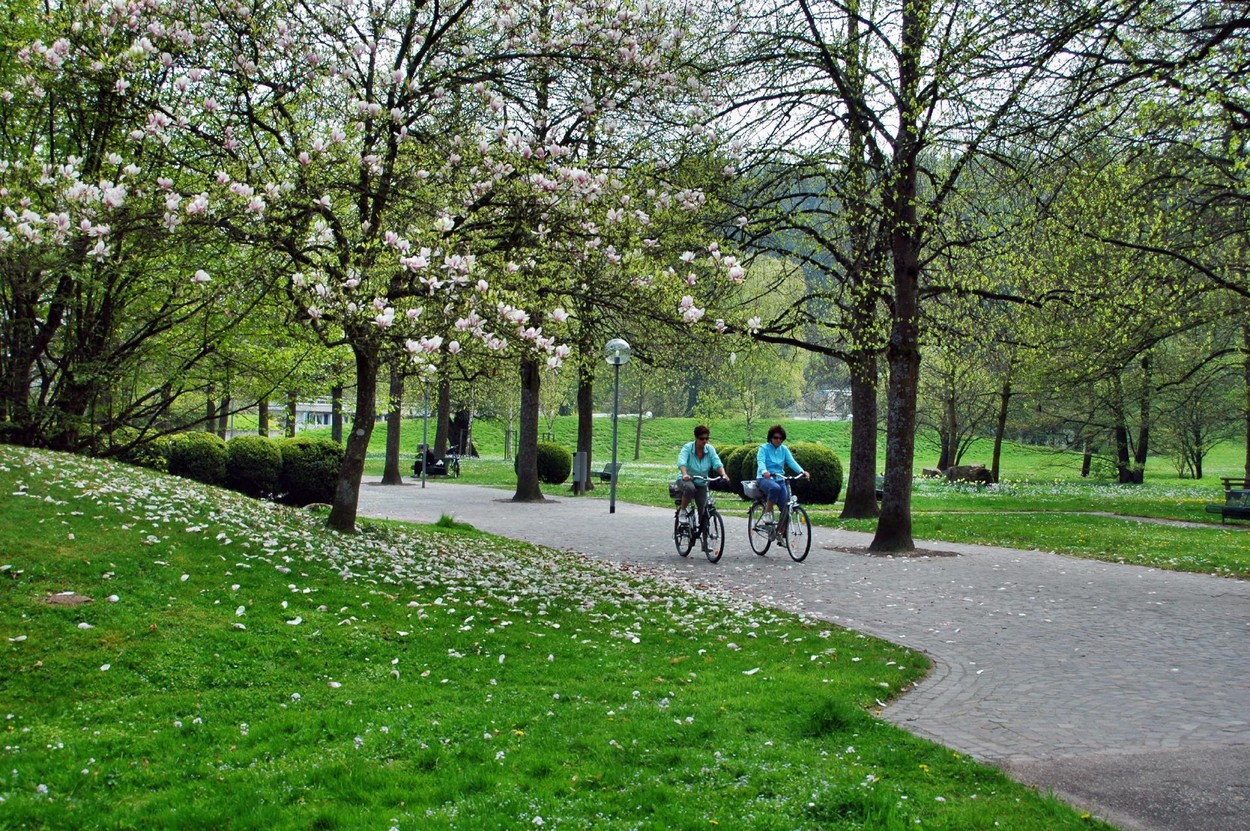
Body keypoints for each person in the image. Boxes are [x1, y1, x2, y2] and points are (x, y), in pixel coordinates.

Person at [675, 425, 731, 549]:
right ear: (696, 438)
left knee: (703, 511)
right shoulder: (688, 448)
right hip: (687, 479)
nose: (704, 441)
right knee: (690, 489)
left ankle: (705, 543)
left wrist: (723, 474)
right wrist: (685, 474)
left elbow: (717, 463)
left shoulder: (709, 449)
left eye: (707, 438)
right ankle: (683, 511)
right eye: (702, 439)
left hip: (702, 481)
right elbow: (681, 461)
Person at [755, 424, 809, 531]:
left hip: (780, 479)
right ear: (771, 438)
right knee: (774, 488)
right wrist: (764, 471)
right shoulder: (763, 448)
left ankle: (781, 532)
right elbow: (760, 461)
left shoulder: (784, 449)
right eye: (775, 437)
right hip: (765, 478)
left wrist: (802, 472)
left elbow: (791, 462)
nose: (778, 440)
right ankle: (767, 512)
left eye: (780, 438)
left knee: (786, 507)